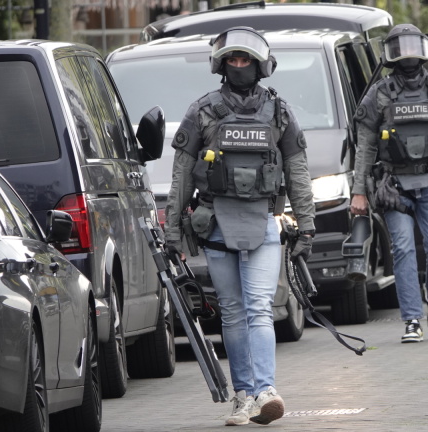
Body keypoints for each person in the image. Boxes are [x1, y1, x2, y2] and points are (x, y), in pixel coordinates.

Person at [163, 26, 315, 426]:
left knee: (259, 308)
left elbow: (298, 171)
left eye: (245, 59)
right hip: (215, 226)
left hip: (263, 222)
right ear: (221, 64)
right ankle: (243, 396)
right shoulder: (203, 111)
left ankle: (266, 390)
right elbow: (181, 175)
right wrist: (172, 232)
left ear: (260, 65)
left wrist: (308, 227)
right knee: (232, 312)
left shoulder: (280, 112)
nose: (239, 65)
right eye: (232, 59)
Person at [350, 24, 428, 343]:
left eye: (412, 46)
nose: (407, 53)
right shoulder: (379, 93)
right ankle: (411, 319)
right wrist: (358, 191)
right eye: (400, 47)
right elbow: (364, 143)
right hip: (392, 184)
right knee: (404, 250)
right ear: (390, 54)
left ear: (423, 50)